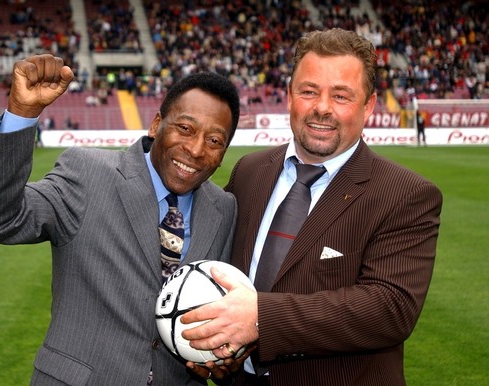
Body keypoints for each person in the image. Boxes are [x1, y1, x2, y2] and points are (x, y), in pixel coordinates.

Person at [180, 28, 443, 386]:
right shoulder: (250, 171)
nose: (322, 107)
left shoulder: (406, 194)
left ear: (368, 105)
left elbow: (389, 309)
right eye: (308, 91)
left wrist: (259, 318)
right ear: (289, 96)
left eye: (341, 96)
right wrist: (219, 347)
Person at [0, 54, 241, 385]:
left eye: (214, 141)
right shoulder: (87, 173)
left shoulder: (223, 208)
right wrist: (23, 113)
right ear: (157, 124)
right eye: (185, 128)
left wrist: (222, 358)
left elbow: (219, 310)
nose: (196, 150)